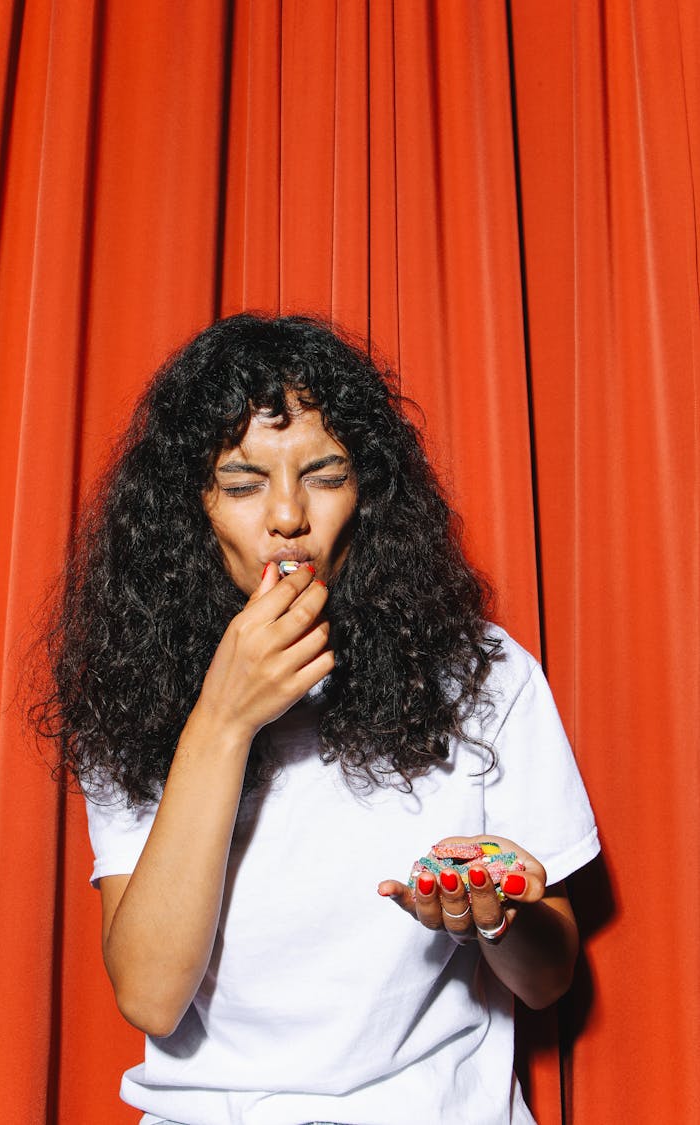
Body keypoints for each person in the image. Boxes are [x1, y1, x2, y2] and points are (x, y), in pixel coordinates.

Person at [34, 313, 599, 1125]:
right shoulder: (136, 685)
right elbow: (152, 995)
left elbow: (548, 978)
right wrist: (222, 722)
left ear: (368, 493)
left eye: (325, 474)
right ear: (190, 508)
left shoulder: (484, 672)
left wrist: (496, 912)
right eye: (242, 482)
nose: (288, 515)